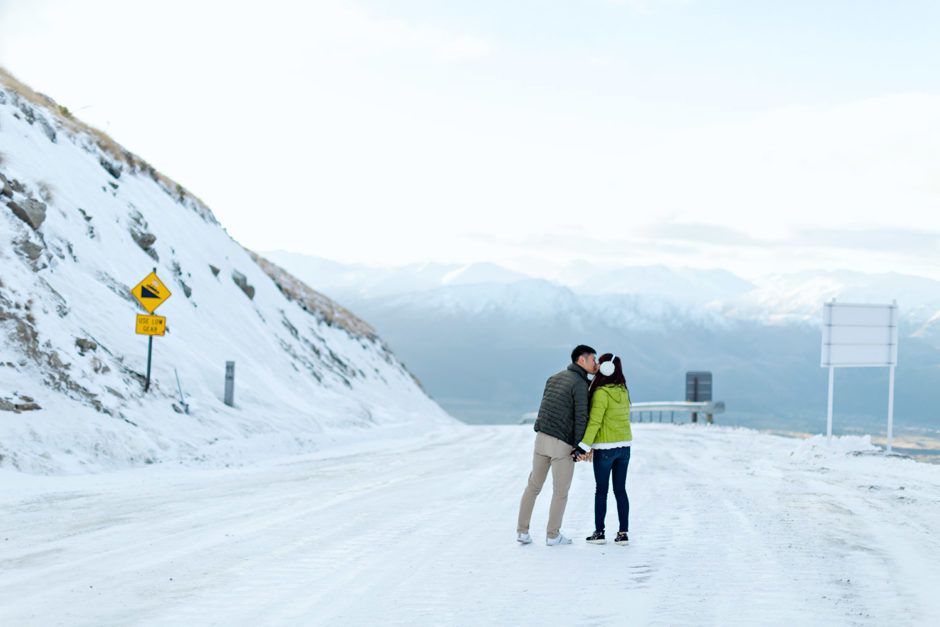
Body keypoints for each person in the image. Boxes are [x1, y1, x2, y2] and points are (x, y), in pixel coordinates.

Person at [517, 345, 598, 546]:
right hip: (561, 443)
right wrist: (580, 447)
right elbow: (581, 417)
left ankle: (522, 531)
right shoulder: (579, 384)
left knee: (533, 486)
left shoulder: (553, 378)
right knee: (560, 491)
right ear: (581, 360)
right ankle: (553, 535)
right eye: (593, 359)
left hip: (541, 438)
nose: (595, 364)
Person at [574, 353, 632, 546]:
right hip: (624, 447)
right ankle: (623, 533)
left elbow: (595, 423)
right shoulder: (623, 390)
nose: (597, 365)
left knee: (601, 491)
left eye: (601, 363)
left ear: (607, 367)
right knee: (620, 490)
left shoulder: (601, 393)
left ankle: (599, 533)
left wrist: (582, 446)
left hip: (605, 449)